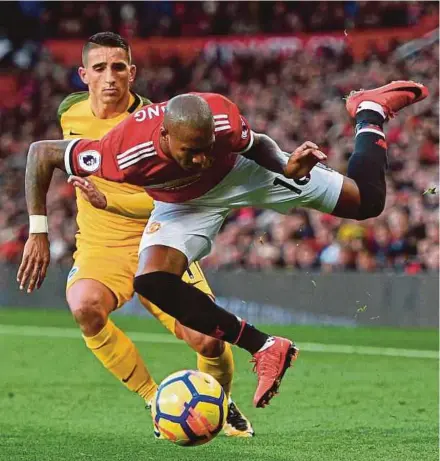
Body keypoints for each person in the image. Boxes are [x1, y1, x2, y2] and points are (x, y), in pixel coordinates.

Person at [17, 80, 428, 407]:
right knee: (152, 281)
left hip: (245, 174)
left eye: (203, 149)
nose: (198, 158)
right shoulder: (118, 153)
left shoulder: (221, 118)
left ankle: (370, 110)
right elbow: (41, 153)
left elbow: (256, 143)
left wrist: (286, 167)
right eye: (189, 151)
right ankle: (265, 346)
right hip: (182, 204)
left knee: (367, 202)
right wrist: (38, 230)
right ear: (164, 134)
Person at [36, 32, 255, 437]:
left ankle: (220, 406)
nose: (110, 77)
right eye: (99, 68)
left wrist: (110, 202)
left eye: (119, 67)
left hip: (159, 239)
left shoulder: (164, 127)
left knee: (209, 340)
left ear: (132, 73)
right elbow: (45, 158)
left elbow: (172, 198)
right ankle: (156, 400)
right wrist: (39, 230)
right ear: (83, 74)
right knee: (84, 305)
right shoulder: (70, 113)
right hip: (102, 246)